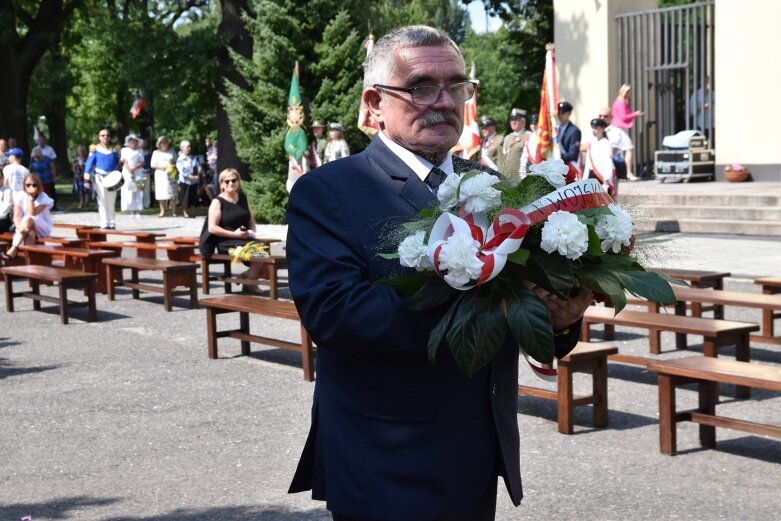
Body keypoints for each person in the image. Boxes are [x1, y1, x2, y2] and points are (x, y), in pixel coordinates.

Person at [286, 25, 591, 521]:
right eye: (422, 86)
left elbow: (524, 303)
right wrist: (490, 301)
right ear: (375, 102)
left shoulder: (494, 187)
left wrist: (558, 318)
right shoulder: (329, 191)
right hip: (386, 463)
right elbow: (336, 314)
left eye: (458, 87)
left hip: (478, 455)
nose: (445, 101)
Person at [198, 168, 263, 292]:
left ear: (238, 182)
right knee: (260, 253)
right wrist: (235, 234)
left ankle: (247, 277)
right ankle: (250, 282)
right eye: (227, 181)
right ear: (221, 184)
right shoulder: (217, 202)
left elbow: (251, 221)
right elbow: (212, 228)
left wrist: (252, 232)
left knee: (265, 252)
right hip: (226, 243)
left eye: (234, 180)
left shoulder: (243, 198)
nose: (230, 184)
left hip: (244, 240)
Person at [1, 173, 53, 260]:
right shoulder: (20, 195)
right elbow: (16, 217)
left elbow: (32, 213)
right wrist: (19, 228)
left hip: (42, 226)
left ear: (38, 185)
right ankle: (28, 264)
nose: (31, 187)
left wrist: (31, 197)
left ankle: (14, 248)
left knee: (29, 218)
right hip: (26, 227)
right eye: (28, 185)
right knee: (30, 233)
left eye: (34, 185)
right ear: (24, 186)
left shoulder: (43, 197)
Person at [83, 127, 120, 230]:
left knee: (111, 201)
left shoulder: (113, 150)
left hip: (112, 178)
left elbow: (118, 163)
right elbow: (88, 165)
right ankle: (105, 223)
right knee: (102, 201)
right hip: (100, 177)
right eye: (103, 135)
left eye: (107, 135)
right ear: (99, 137)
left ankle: (112, 223)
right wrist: (86, 180)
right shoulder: (95, 150)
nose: (105, 137)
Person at [611, 83, 643, 180]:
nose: (630, 94)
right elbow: (623, 116)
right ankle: (629, 173)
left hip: (617, 127)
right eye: (629, 92)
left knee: (615, 151)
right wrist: (635, 114)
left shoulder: (619, 101)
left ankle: (615, 172)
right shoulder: (621, 102)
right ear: (625, 92)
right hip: (619, 128)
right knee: (629, 148)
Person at [583, 118, 617, 196]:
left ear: (602, 128)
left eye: (596, 128)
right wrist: (585, 177)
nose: (594, 130)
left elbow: (608, 161)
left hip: (602, 175)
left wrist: (607, 178)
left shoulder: (606, 143)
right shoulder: (592, 142)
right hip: (591, 174)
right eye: (593, 128)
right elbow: (588, 161)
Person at [499, 108, 530, 182]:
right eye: (511, 119)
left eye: (516, 119)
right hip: (508, 177)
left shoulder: (529, 136)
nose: (513, 122)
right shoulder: (508, 137)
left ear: (523, 121)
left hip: (522, 177)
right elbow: (505, 156)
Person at [119, 134, 145, 218]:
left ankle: (137, 209)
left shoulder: (140, 151)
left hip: (138, 173)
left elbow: (142, 162)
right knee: (129, 191)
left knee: (138, 190)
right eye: (131, 141)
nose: (133, 142)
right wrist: (130, 170)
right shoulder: (124, 150)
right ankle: (131, 210)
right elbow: (123, 161)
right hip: (127, 173)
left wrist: (134, 168)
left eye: (135, 141)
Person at [151, 136, 177, 217]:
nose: (165, 144)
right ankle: (162, 211)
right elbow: (152, 165)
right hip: (160, 174)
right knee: (161, 193)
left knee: (172, 193)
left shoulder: (172, 151)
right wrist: (163, 166)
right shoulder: (156, 152)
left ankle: (174, 212)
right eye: (163, 142)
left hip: (170, 174)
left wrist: (171, 166)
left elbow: (176, 161)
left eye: (166, 142)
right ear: (160, 144)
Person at [31, 134, 58, 210]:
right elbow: (31, 164)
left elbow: (53, 164)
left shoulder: (50, 149)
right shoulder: (34, 150)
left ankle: (53, 205)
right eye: (40, 140)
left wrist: (54, 176)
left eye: (42, 140)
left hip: (47, 177)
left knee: (50, 191)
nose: (41, 142)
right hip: (37, 177)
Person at [556, 101, 582, 180]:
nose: (560, 115)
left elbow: (572, 154)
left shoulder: (574, 131)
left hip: (568, 169)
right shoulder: (556, 129)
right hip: (556, 168)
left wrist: (557, 156)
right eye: (558, 113)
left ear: (569, 113)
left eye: (562, 113)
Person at [176, 140, 200, 218]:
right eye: (187, 147)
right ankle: (185, 212)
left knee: (193, 196)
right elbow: (182, 170)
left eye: (190, 147)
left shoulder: (193, 157)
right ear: (182, 148)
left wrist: (197, 175)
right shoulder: (180, 159)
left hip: (194, 181)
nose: (189, 148)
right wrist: (191, 177)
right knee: (185, 196)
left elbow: (198, 166)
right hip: (185, 181)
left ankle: (192, 211)